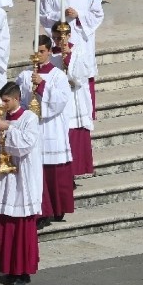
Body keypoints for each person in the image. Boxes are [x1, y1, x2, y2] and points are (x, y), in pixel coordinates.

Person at [0, 81, 42, 285]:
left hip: (22, 181)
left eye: (6, 100)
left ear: (17, 99)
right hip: (4, 180)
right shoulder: (0, 119)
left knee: (21, 229)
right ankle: (9, 269)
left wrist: (9, 128)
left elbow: (26, 144)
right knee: (2, 225)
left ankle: (23, 271)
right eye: (2, 100)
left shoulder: (30, 118)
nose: (4, 104)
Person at [16, 35, 72, 229]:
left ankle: (57, 208)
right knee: (35, 171)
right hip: (32, 127)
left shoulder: (58, 76)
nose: (38, 55)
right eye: (36, 51)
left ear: (49, 51)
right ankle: (41, 211)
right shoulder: (24, 76)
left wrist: (41, 85)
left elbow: (60, 101)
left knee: (52, 172)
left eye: (42, 51)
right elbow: (19, 101)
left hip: (51, 127)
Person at [40, 0, 104, 117]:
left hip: (81, 43)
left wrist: (78, 15)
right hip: (59, 45)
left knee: (83, 75)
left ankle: (87, 114)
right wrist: (60, 14)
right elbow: (43, 16)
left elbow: (98, 15)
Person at [49, 23, 94, 178]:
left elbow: (82, 75)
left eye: (60, 37)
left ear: (68, 35)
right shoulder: (50, 54)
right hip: (58, 103)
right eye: (54, 38)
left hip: (75, 100)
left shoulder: (79, 50)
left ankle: (74, 172)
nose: (57, 41)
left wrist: (68, 56)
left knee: (74, 136)